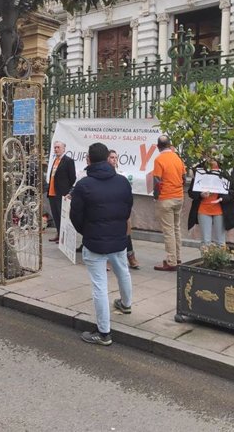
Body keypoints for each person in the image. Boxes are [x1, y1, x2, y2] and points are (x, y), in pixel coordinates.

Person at [70, 143, 133, 346]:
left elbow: (75, 216)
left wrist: (87, 231)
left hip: (95, 241)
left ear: (88, 160)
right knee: (123, 271)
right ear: (108, 159)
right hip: (117, 237)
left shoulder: (84, 185)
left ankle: (104, 332)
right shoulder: (123, 182)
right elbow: (127, 209)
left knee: (100, 286)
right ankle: (126, 303)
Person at [187, 154, 234, 247]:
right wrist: (200, 195)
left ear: (218, 156)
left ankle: (220, 261)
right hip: (203, 209)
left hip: (220, 209)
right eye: (208, 155)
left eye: (214, 155)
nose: (211, 158)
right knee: (205, 241)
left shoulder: (226, 169)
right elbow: (191, 192)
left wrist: (222, 198)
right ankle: (206, 260)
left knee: (220, 241)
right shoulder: (199, 170)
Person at [152, 135, 186, 271]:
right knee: (176, 229)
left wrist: (156, 196)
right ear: (169, 144)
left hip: (166, 198)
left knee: (168, 231)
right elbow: (184, 178)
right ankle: (177, 257)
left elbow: (157, 182)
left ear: (158, 146)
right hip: (179, 197)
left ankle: (171, 261)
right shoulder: (178, 158)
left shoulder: (159, 159)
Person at [107, 149, 139, 269]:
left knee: (126, 232)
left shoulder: (122, 174)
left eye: (115, 157)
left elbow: (127, 194)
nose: (114, 160)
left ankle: (130, 256)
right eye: (111, 157)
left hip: (121, 208)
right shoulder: (104, 175)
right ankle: (109, 259)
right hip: (109, 208)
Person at [47, 141, 76, 242]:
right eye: (55, 148)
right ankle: (59, 234)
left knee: (62, 216)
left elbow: (72, 178)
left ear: (64, 148)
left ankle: (64, 237)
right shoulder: (55, 160)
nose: (56, 149)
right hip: (52, 194)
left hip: (61, 194)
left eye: (58, 147)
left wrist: (67, 191)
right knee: (55, 216)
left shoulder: (68, 161)